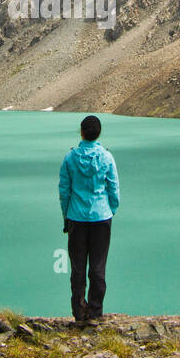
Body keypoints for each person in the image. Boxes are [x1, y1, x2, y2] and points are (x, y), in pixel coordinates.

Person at [57, 115, 120, 325]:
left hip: (76, 218)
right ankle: (95, 311)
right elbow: (114, 189)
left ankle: (78, 311)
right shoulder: (107, 157)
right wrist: (111, 209)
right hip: (102, 217)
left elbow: (64, 191)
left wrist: (66, 215)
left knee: (77, 267)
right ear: (98, 133)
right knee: (98, 266)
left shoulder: (70, 158)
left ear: (81, 132)